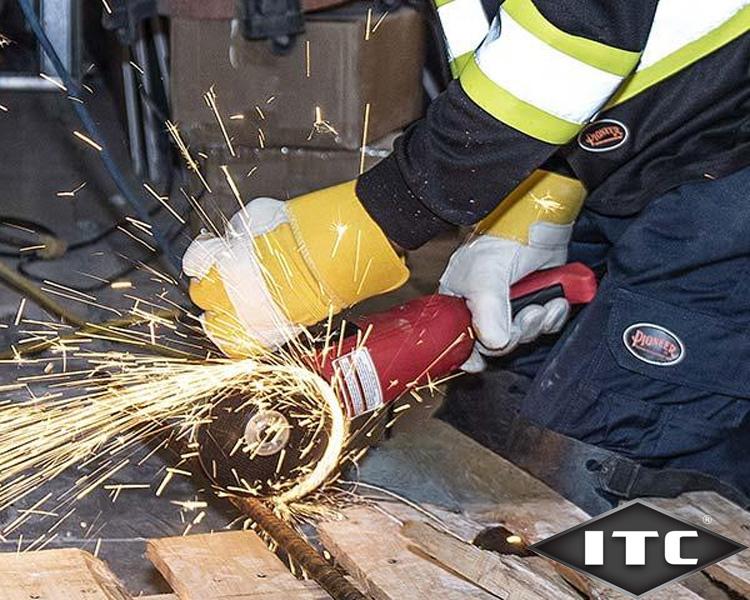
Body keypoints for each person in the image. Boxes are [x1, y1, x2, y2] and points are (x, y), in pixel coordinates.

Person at [183, 0, 750, 512]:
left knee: (638, 429)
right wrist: (547, 187)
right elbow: (519, 32)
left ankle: (671, 552)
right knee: (522, 383)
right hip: (661, 130)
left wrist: (382, 212)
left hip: (734, 156)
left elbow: (582, 24)